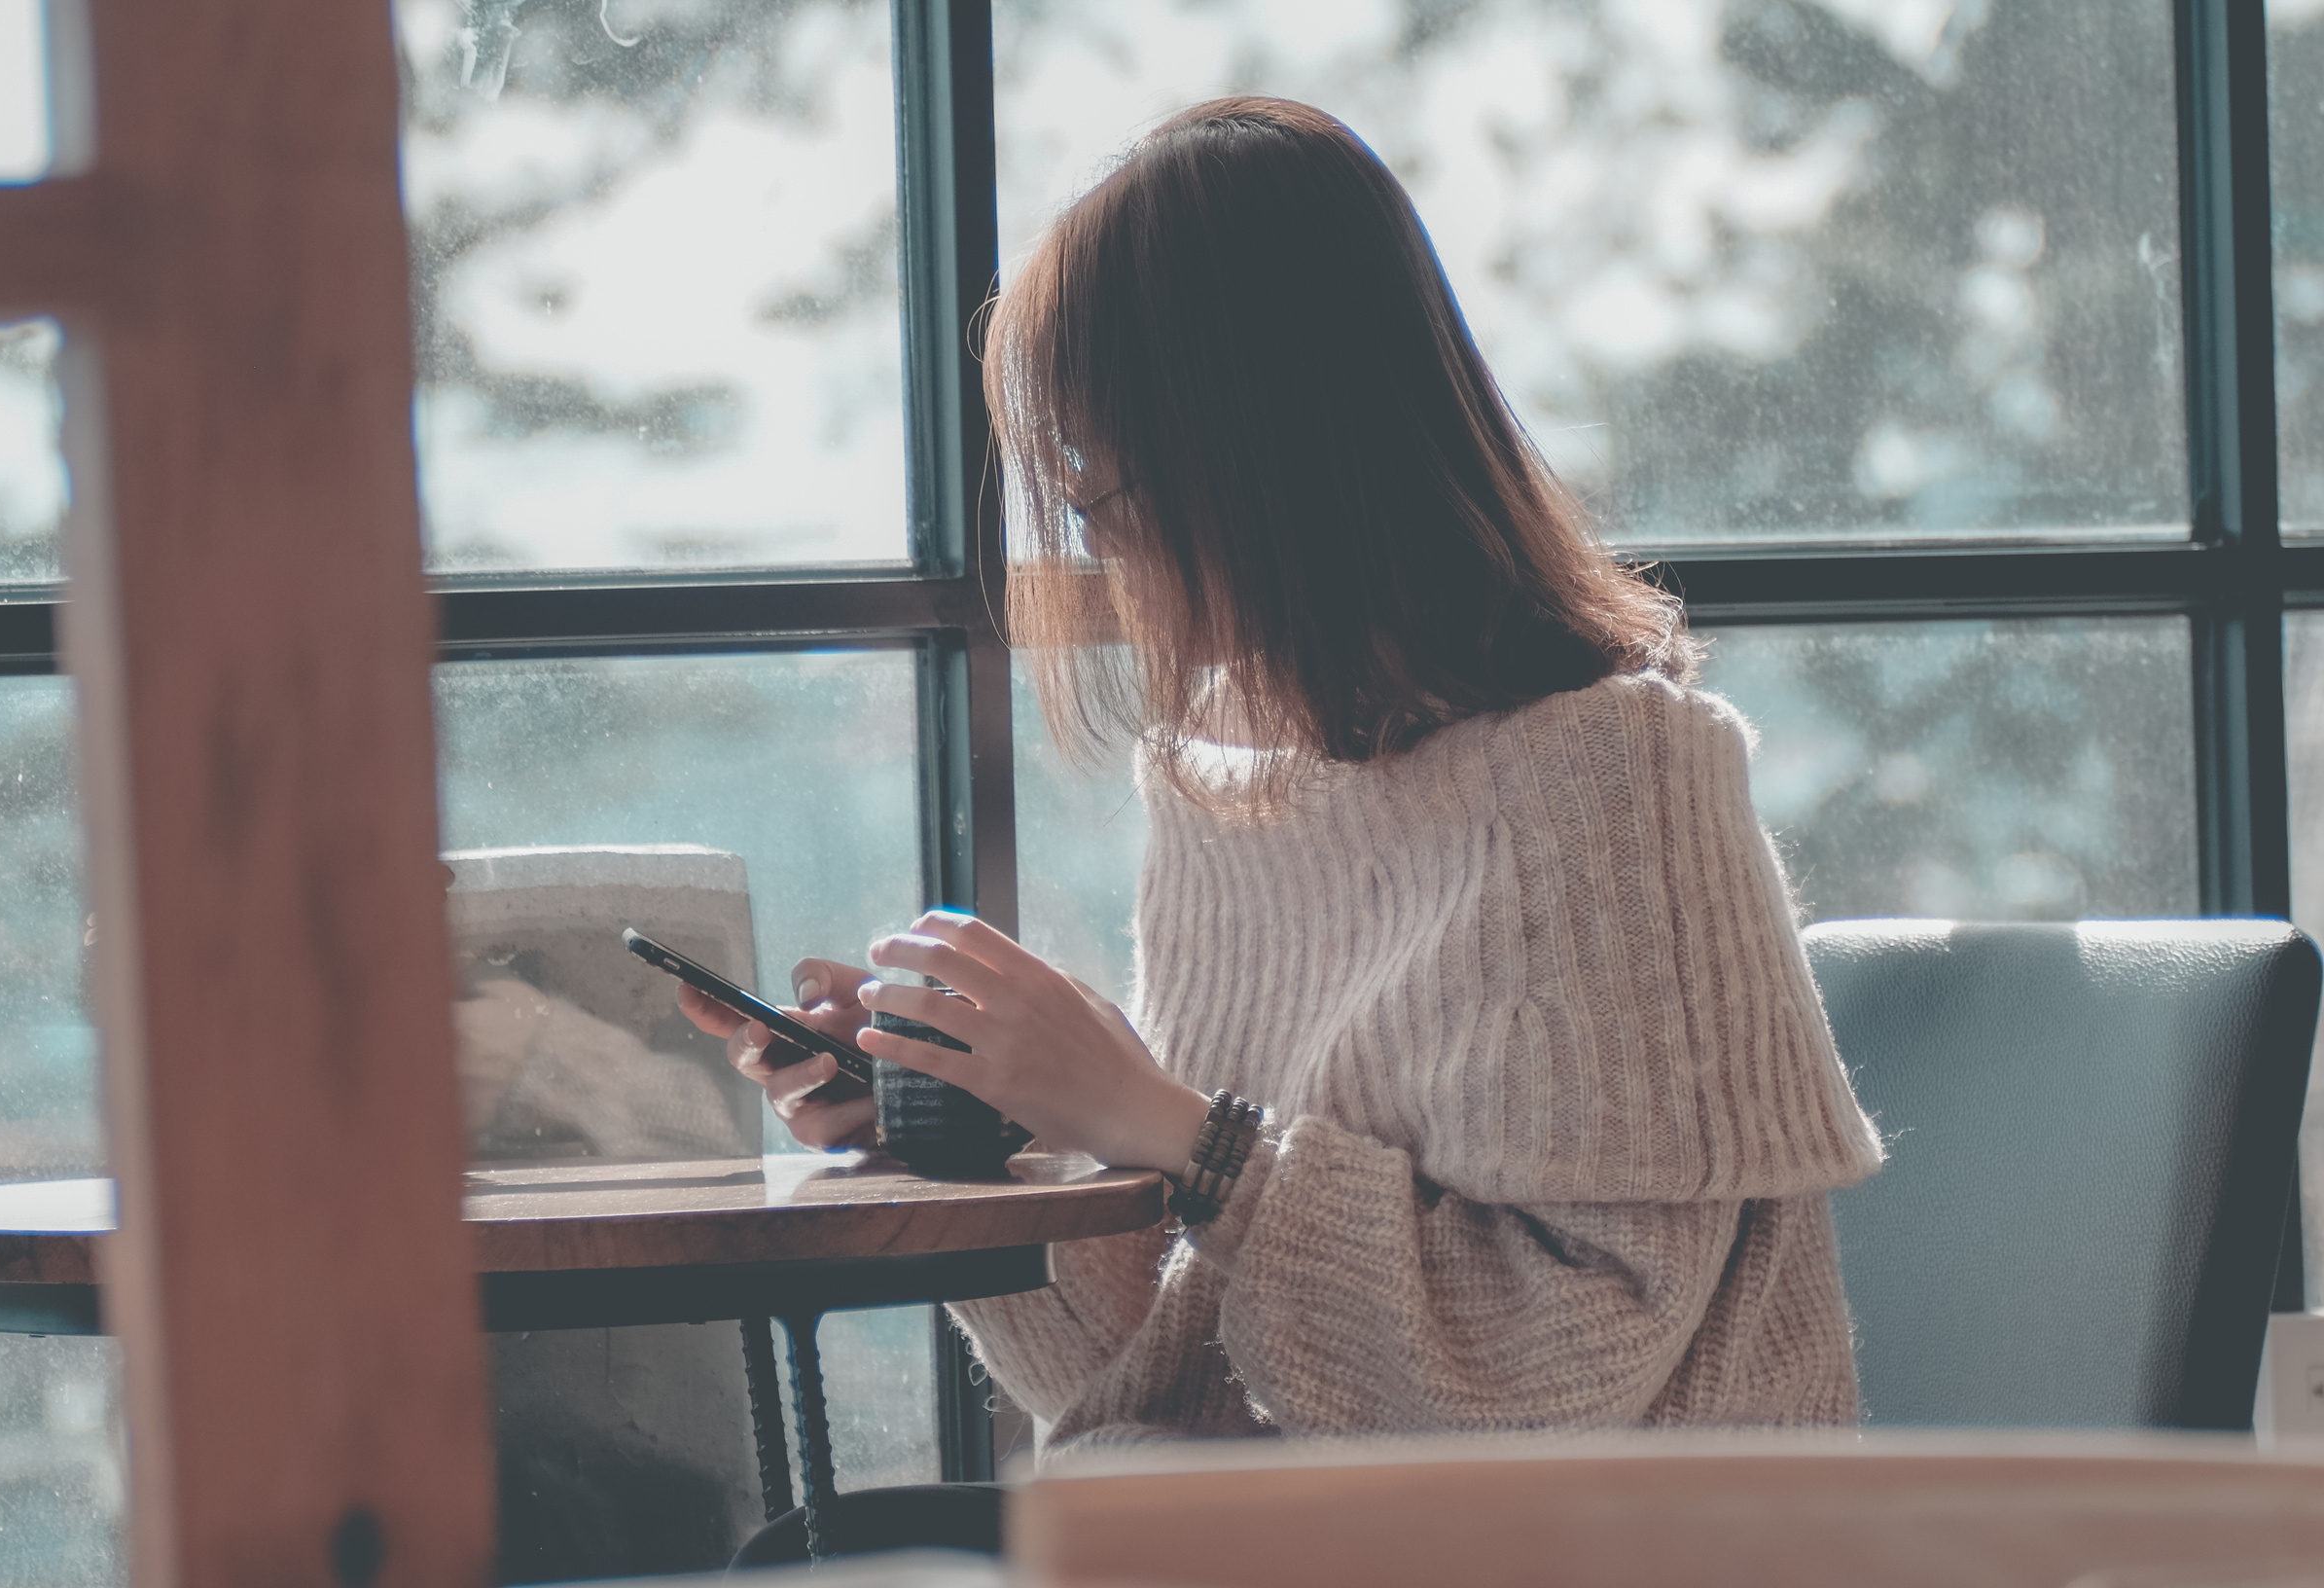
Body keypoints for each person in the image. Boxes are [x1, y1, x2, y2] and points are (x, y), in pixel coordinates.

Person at [680, 96, 1882, 1451]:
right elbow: (1178, 1367)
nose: (1101, 555)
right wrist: (963, 1132)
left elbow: (1566, 1365)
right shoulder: (1220, 791)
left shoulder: (1613, 780)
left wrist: (1182, 1137)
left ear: (1241, 464)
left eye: (1102, 495)